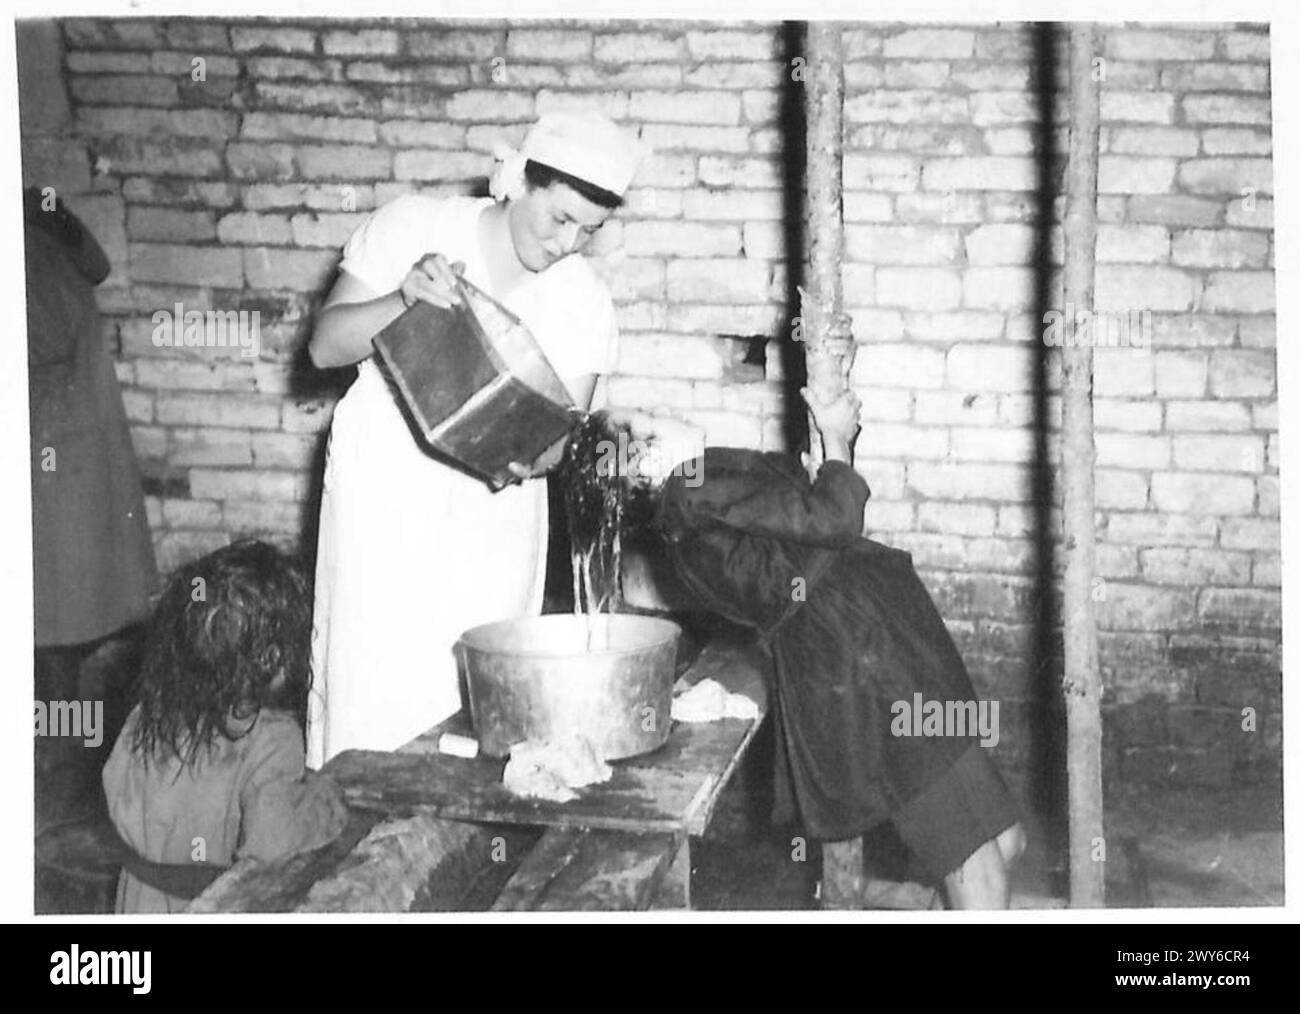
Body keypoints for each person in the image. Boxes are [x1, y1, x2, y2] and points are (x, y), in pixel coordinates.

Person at [306, 112, 643, 767]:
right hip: (384, 499)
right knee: (370, 686)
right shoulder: (415, 227)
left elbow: (553, 444)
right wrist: (405, 301)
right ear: (518, 181)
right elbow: (324, 347)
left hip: (491, 517)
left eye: (590, 231)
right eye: (559, 218)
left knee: (469, 704)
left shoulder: (583, 299)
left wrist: (523, 452)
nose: (568, 243)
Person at [623, 390, 1026, 908]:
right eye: (648, 420)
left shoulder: (697, 499)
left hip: (882, 644)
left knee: (1008, 841)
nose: (664, 410)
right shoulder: (688, 491)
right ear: (646, 464)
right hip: (865, 663)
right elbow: (834, 521)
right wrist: (835, 438)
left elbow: (816, 524)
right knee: (979, 871)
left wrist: (822, 472)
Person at [102, 541, 348, 913]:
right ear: (275, 658)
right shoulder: (272, 738)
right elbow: (272, 841)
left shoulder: (150, 713)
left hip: (140, 899)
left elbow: (114, 791)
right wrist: (323, 807)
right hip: (212, 905)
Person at [26, 188, 158, 829]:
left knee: (50, 648)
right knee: (55, 648)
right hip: (60, 473)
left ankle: (57, 792)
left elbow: (43, 334)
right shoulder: (41, 229)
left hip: (51, 478)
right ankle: (64, 780)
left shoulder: (25, 250)